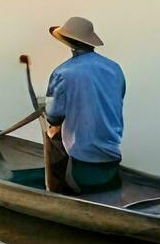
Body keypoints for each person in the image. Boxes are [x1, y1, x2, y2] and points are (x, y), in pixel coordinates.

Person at [44, 16, 125, 194]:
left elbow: (53, 114)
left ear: (68, 42)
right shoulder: (115, 68)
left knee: (52, 133)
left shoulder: (62, 73)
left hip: (82, 152)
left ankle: (58, 189)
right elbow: (118, 96)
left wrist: (53, 123)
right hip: (111, 148)